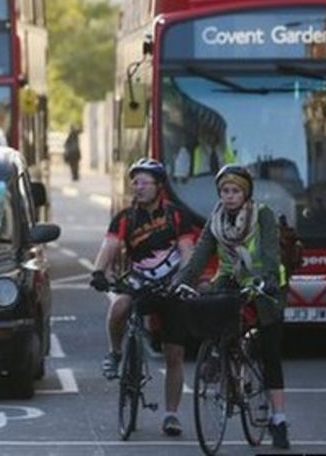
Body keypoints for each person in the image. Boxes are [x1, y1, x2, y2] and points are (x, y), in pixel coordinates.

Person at [173, 164, 291, 449]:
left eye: (235, 191)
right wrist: (181, 281)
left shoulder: (262, 215)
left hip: (267, 287)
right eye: (224, 191)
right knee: (210, 309)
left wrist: (266, 281)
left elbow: (270, 254)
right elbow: (200, 255)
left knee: (270, 351)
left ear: (246, 193)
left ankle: (278, 419)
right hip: (230, 282)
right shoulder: (216, 219)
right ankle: (220, 359)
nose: (229, 196)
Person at [89, 158, 194, 436]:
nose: (137, 187)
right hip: (139, 283)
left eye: (144, 182)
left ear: (159, 186)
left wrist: (185, 280)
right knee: (120, 305)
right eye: (134, 182)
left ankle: (171, 415)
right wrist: (99, 271)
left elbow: (187, 252)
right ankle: (115, 352)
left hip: (171, 287)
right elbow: (110, 246)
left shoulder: (176, 215)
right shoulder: (125, 218)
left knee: (174, 354)